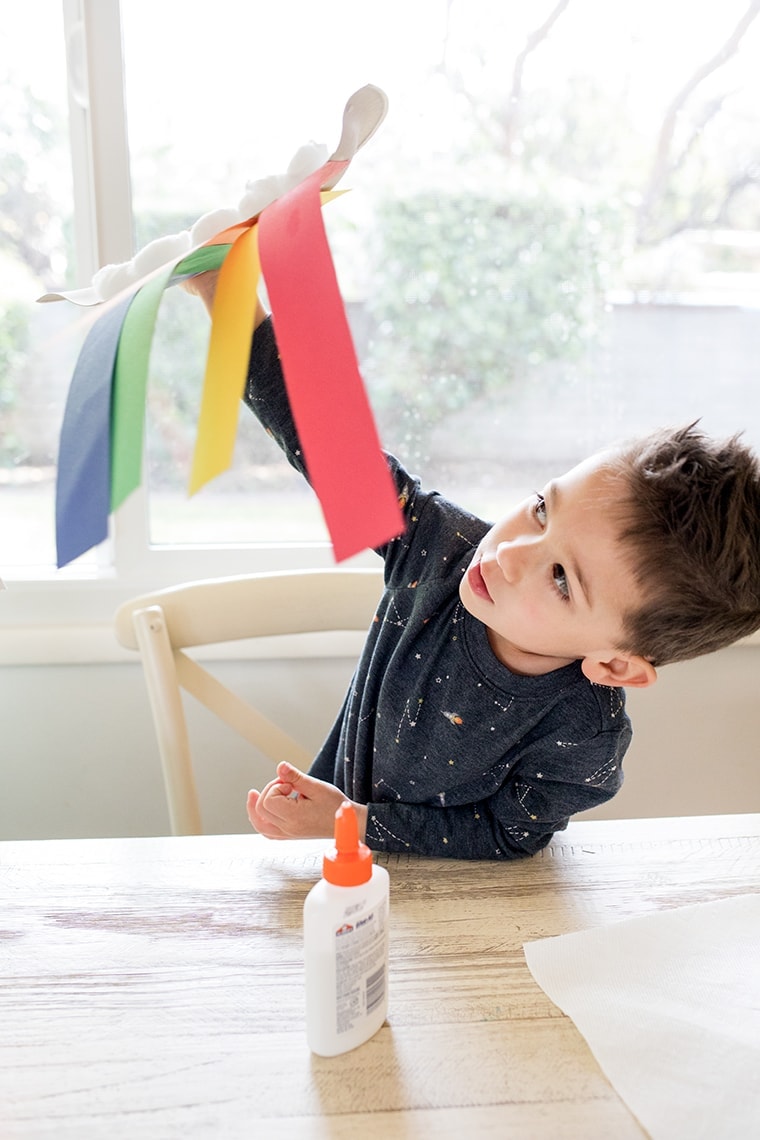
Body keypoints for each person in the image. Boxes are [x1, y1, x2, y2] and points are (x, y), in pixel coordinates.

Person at [185, 272, 760, 858]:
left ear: (615, 665)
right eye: (541, 509)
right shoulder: (441, 547)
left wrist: (355, 820)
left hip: (455, 914)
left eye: (561, 578)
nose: (508, 554)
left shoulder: (584, 734)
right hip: (335, 870)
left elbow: (508, 834)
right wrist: (226, 297)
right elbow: (330, 444)